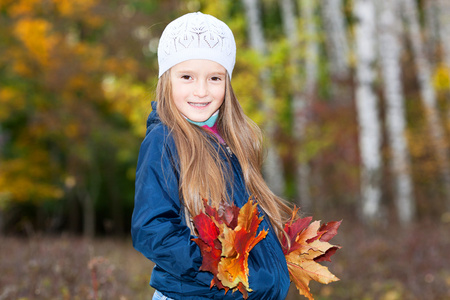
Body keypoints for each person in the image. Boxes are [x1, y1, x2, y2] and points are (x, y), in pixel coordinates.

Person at [131, 12, 294, 300]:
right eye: (187, 77)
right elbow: (152, 229)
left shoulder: (229, 142)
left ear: (227, 83)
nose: (201, 90)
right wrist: (216, 269)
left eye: (214, 78)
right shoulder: (164, 140)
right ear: (166, 80)